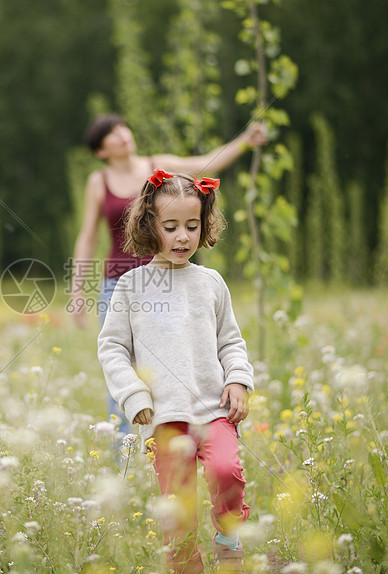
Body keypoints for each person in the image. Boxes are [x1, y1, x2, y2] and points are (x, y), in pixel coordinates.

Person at [97, 170, 254, 572]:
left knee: (226, 470)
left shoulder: (211, 283)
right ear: (150, 225)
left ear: (205, 225)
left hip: (213, 408)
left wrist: (238, 379)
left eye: (192, 225)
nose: (183, 236)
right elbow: (112, 347)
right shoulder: (131, 286)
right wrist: (134, 395)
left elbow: (230, 341)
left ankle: (229, 538)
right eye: (171, 227)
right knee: (178, 515)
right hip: (165, 416)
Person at [70, 114, 265, 438]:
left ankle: (187, 435)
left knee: (173, 361)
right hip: (119, 282)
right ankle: (127, 458)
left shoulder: (157, 166)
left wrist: (245, 140)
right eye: (110, 134)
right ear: (100, 150)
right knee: (122, 368)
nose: (121, 135)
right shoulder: (98, 181)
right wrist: (78, 291)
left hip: (169, 277)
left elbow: (207, 163)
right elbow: (87, 236)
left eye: (122, 127)